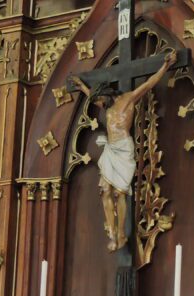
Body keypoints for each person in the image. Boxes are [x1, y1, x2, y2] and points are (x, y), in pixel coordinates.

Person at [71, 49, 177, 252]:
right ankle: (112, 232)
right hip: (111, 149)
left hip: (125, 149)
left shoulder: (128, 99)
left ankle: (120, 234)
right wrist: (82, 86)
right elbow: (92, 97)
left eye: (101, 99)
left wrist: (165, 66)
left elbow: (148, 84)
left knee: (120, 194)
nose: (99, 104)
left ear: (107, 94)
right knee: (104, 192)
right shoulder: (106, 107)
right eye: (98, 101)